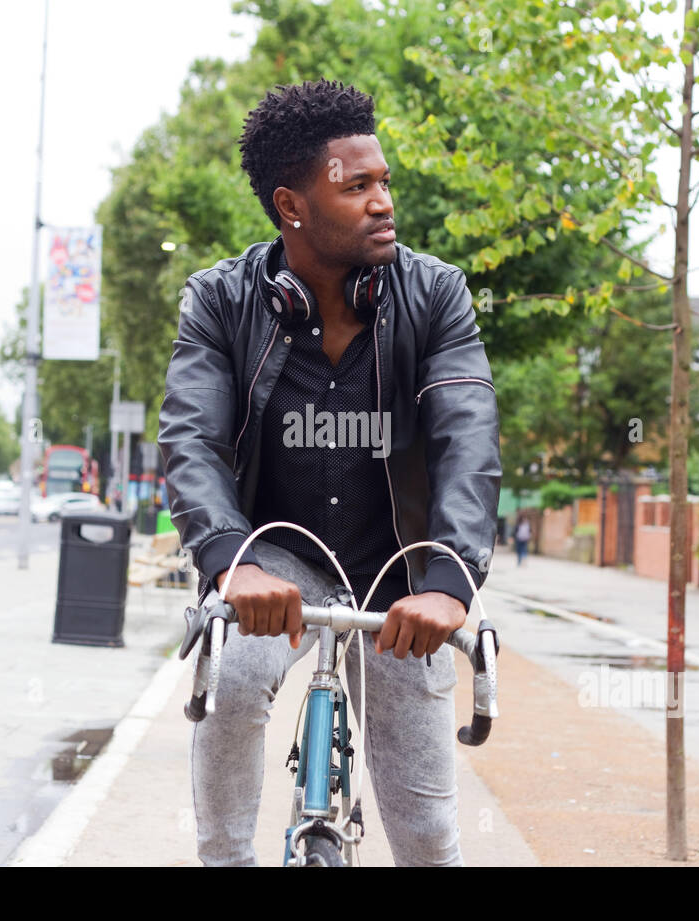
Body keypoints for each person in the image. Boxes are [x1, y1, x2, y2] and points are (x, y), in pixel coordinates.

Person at [159, 80, 500, 866]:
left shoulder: (436, 293)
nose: (384, 202)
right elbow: (192, 438)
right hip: (276, 561)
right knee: (235, 679)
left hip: (401, 574)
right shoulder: (218, 300)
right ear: (293, 205)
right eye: (358, 187)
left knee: (425, 838)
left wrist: (448, 582)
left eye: (384, 181)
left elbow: (467, 439)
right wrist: (230, 564)